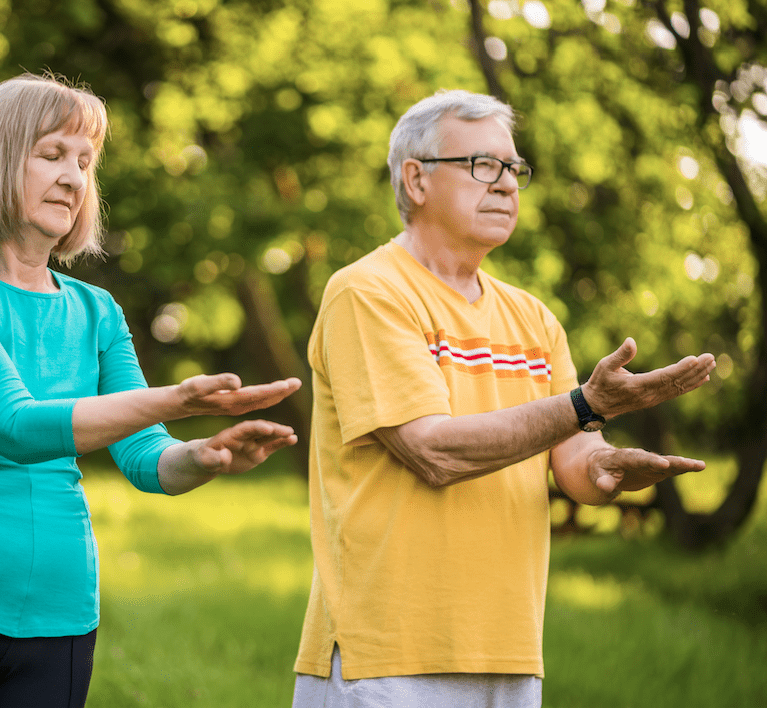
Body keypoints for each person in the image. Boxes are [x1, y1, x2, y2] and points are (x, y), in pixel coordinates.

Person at [0, 72, 302, 708]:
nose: (73, 177)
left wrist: (205, 456)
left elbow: (145, 457)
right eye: (52, 154)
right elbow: (14, 425)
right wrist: (177, 397)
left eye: (85, 162)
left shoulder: (96, 311)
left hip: (59, 621)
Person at [291, 89, 716, 707]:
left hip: (509, 651)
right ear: (415, 180)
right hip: (384, 653)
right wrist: (587, 405)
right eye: (482, 165)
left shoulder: (534, 319)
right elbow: (433, 452)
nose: (507, 185)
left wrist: (608, 468)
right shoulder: (367, 292)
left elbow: (573, 463)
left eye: (514, 169)